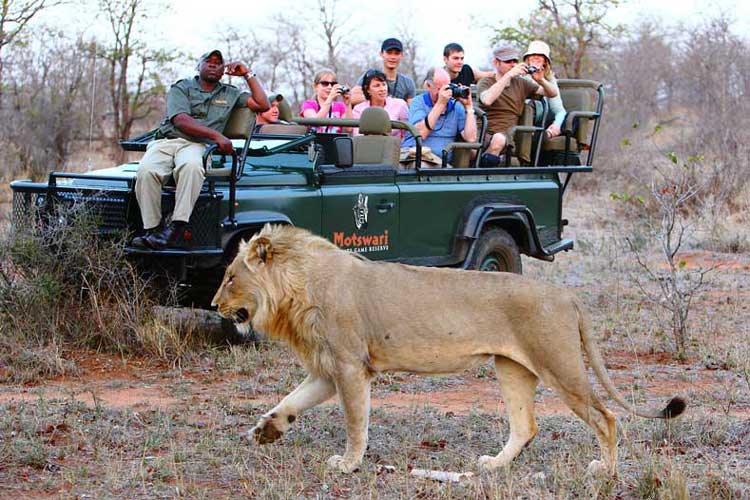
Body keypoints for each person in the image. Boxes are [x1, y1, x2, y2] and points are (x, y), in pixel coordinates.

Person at [132, 49, 269, 250]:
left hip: (197, 145)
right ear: (200, 66)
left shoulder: (231, 94)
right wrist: (217, 136)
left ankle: (176, 228)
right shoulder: (182, 87)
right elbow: (181, 120)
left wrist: (247, 74)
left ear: (224, 70)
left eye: (218, 63)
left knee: (192, 167)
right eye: (209, 61)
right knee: (146, 171)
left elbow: (262, 104)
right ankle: (153, 229)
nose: (213, 65)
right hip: (168, 141)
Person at [477, 45, 558, 165]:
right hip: (483, 131)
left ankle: (481, 170)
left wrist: (541, 80)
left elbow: (552, 93)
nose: (513, 65)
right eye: (508, 61)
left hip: (505, 134)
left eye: (515, 61)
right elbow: (487, 100)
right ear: (496, 62)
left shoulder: (521, 83)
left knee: (498, 139)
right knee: (468, 143)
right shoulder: (486, 82)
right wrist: (508, 76)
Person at [401, 67, 477, 167]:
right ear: (428, 86)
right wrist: (440, 104)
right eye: (439, 89)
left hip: (441, 162)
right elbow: (421, 133)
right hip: (415, 155)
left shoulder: (456, 107)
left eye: (447, 88)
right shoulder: (418, 102)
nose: (444, 93)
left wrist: (469, 107)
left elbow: (471, 138)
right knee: (420, 165)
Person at [350, 38, 417, 106]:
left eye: (396, 53)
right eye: (389, 53)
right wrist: (377, 97)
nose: (393, 57)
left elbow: (412, 109)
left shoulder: (408, 83)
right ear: (381, 54)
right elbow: (352, 99)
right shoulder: (369, 76)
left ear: (402, 55)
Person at [523, 40, 565, 138]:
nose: (536, 57)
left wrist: (557, 125)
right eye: (533, 54)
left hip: (539, 120)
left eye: (540, 55)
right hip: (520, 117)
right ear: (528, 59)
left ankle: (545, 135)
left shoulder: (549, 80)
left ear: (545, 61)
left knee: (571, 119)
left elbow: (559, 110)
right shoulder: (520, 75)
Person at [352, 69, 409, 138]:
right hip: (367, 146)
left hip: (395, 146)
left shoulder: (400, 104)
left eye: (384, 84)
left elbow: (406, 133)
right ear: (367, 89)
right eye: (377, 86)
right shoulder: (358, 109)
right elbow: (357, 136)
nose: (382, 89)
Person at [300, 69, 352, 133]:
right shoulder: (309, 104)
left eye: (333, 84)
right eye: (325, 83)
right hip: (314, 141)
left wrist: (348, 104)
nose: (329, 87)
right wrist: (330, 98)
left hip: (334, 141)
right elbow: (315, 122)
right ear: (315, 86)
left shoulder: (340, 106)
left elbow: (349, 128)